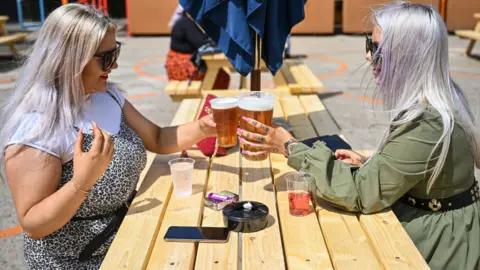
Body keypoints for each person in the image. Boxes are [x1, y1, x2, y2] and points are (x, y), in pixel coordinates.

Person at [237, 3, 480, 269]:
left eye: (377, 48)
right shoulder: (441, 97)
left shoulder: (427, 121)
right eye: (369, 43)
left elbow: (362, 194)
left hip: (438, 242)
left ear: (409, 55)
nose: (368, 56)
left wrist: (289, 146)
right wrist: (372, 162)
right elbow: (420, 168)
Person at [0, 4, 217, 269]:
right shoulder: (38, 126)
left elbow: (158, 138)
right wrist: (82, 183)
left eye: (116, 52)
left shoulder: (107, 95)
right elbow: (33, 223)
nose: (113, 65)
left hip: (128, 237)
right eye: (105, 57)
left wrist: (205, 127)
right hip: (78, 261)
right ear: (69, 59)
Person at [165, 10, 230, 89]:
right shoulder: (185, 23)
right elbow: (201, 43)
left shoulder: (187, 21)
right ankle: (210, 98)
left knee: (221, 75)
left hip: (182, 64)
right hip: (182, 67)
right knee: (220, 76)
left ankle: (212, 98)